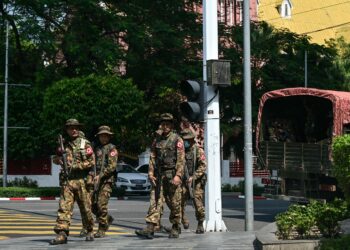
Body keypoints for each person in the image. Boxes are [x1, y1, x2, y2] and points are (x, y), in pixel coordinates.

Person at [136, 113, 185, 239]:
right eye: (163, 123)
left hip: (172, 175)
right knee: (155, 201)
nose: (165, 126)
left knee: (174, 203)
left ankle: (175, 226)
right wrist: (150, 173)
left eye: (168, 123)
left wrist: (178, 176)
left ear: (171, 125)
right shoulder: (156, 140)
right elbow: (153, 157)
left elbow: (181, 159)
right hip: (159, 176)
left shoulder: (177, 139)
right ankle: (150, 227)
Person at [50, 118, 95, 245]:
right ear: (67, 130)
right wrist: (57, 160)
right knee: (64, 208)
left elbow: (91, 161)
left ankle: (90, 230)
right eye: (71, 128)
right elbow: (56, 158)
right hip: (67, 182)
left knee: (86, 208)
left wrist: (75, 166)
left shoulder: (85, 144)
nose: (74, 130)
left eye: (76, 127)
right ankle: (62, 233)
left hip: (81, 181)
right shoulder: (63, 144)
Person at [89, 125, 118, 238]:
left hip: (106, 181)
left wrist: (100, 175)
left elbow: (112, 166)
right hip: (96, 181)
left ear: (109, 137)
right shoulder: (96, 148)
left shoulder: (112, 149)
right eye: (102, 136)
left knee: (102, 205)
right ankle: (107, 219)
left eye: (106, 136)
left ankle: (102, 228)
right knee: (92, 206)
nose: (104, 138)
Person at [180, 128, 207, 234]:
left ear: (191, 140)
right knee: (179, 202)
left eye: (187, 140)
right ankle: (183, 220)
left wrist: (193, 177)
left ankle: (200, 224)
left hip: (196, 182)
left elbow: (203, 166)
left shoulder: (198, 150)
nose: (185, 142)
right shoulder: (180, 152)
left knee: (198, 204)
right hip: (183, 181)